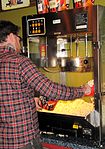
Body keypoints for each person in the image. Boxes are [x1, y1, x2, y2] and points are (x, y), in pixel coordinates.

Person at [0, 20, 94, 149]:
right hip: (23, 141)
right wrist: (82, 90)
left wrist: (31, 97)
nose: (19, 42)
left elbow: (8, 92)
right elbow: (50, 90)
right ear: (11, 36)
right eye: (19, 38)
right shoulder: (19, 62)